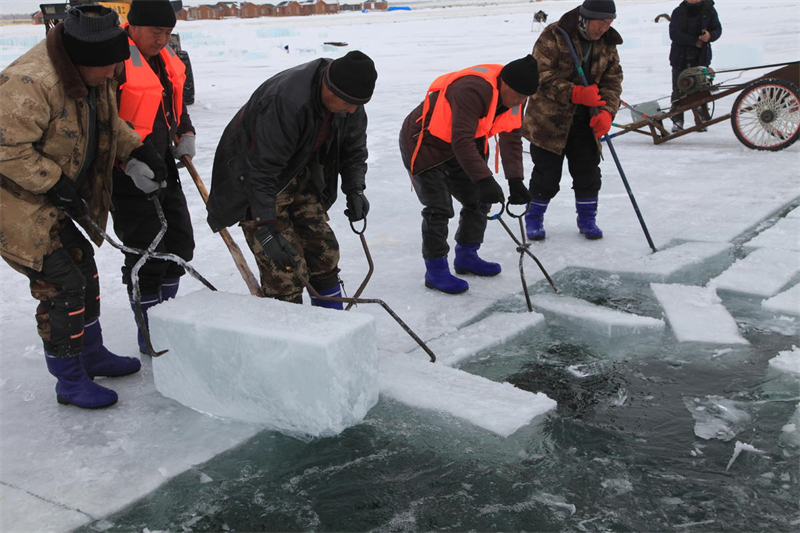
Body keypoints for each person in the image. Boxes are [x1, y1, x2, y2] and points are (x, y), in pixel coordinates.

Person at [0, 5, 169, 408]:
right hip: (14, 204)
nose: (115, 73)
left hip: (49, 200)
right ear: (82, 62)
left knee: (84, 270)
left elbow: (108, 120)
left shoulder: (94, 70)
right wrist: (54, 181)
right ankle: (70, 380)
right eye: (108, 68)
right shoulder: (28, 83)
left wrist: (137, 150)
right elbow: (5, 149)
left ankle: (91, 354)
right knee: (62, 286)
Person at [206, 51, 377, 308]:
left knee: (324, 252)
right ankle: (291, 334)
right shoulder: (286, 102)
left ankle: (331, 329)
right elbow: (261, 169)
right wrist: (264, 226)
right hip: (256, 179)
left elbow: (354, 150)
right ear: (328, 86)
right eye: (348, 103)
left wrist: (355, 189)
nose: (353, 110)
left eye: (358, 104)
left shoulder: (349, 97)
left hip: (302, 171)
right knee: (284, 270)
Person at [399, 55, 540, 294]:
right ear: (503, 83)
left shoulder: (518, 96)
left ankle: (466, 255)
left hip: (462, 144)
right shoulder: (472, 89)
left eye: (524, 97)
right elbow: (461, 140)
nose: (519, 101)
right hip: (424, 143)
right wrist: (485, 179)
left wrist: (515, 180)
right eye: (517, 95)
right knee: (439, 207)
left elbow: (511, 138)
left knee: (478, 199)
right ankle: (436, 270)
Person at [111, 0, 196, 353]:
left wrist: (185, 132)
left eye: (168, 33)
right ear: (133, 26)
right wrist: (126, 163)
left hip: (164, 168)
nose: (162, 40)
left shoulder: (166, 59)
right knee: (147, 256)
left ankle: (167, 324)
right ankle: (150, 335)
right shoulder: (114, 61)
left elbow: (174, 106)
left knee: (178, 249)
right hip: (128, 174)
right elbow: (101, 123)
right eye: (155, 32)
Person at [522, 0, 623, 241]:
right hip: (548, 122)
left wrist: (608, 111)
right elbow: (539, 75)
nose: (605, 28)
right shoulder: (554, 36)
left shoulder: (608, 42)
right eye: (601, 22)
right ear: (585, 18)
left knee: (588, 173)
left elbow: (613, 81)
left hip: (586, 121)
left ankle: (587, 218)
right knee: (546, 176)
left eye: (610, 23)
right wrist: (574, 93)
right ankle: (533, 217)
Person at [669, 0, 722, 132]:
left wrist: (710, 36)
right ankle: (677, 121)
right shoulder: (678, 12)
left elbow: (717, 29)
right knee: (678, 89)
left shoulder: (709, 10)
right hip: (680, 57)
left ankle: (702, 118)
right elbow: (674, 34)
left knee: (701, 89)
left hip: (701, 58)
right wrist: (694, 41)